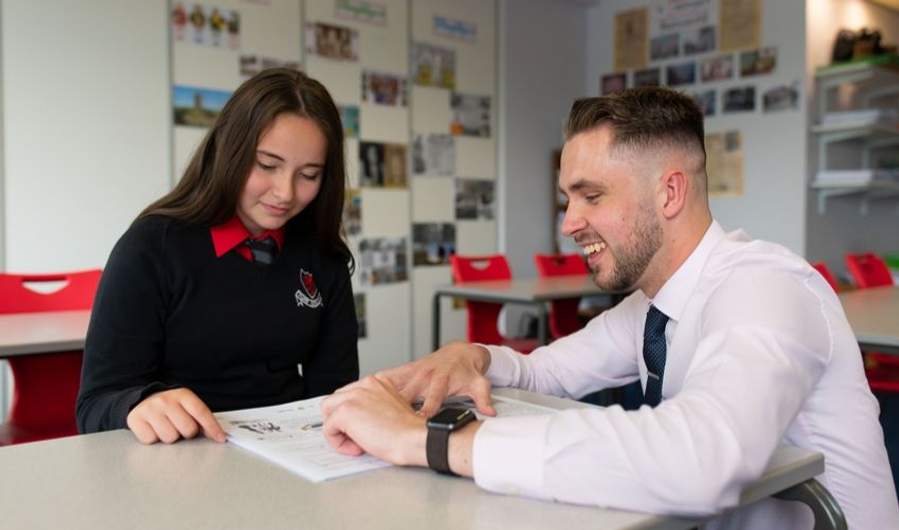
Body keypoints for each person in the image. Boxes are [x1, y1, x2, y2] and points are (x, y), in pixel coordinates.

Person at [320, 88, 899, 529]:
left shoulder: (766, 287)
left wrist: (429, 442)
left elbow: (703, 459)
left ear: (669, 193)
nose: (569, 223)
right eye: (567, 199)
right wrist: (468, 356)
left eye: (591, 196)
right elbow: (545, 371)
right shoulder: (652, 305)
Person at [77, 68, 359, 445]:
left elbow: (333, 397)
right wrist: (139, 404)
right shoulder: (152, 247)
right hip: (179, 458)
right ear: (230, 152)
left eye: (309, 174)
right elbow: (95, 406)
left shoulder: (323, 258)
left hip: (291, 457)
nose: (285, 193)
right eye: (267, 165)